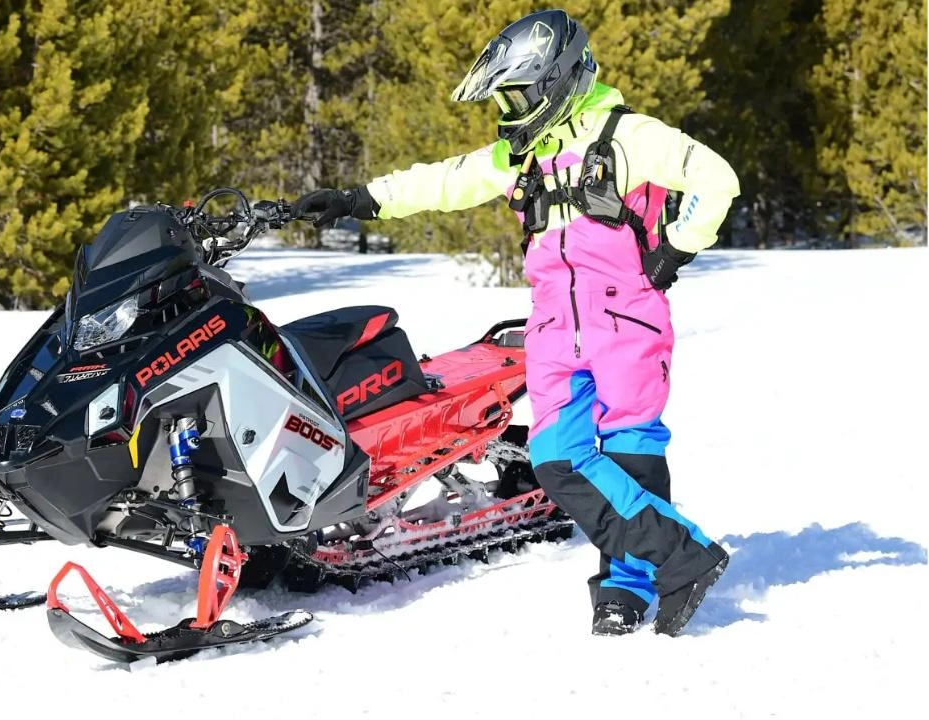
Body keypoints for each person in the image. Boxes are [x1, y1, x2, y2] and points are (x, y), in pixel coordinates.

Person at [291, 9, 738, 637]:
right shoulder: (519, 155)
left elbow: (717, 179)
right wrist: (358, 199)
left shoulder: (630, 135)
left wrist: (677, 248)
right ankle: (685, 555)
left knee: (631, 452)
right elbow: (445, 181)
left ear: (557, 80)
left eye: (519, 92)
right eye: (505, 96)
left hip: (626, 317)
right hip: (553, 326)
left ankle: (626, 585)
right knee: (556, 458)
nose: (511, 107)